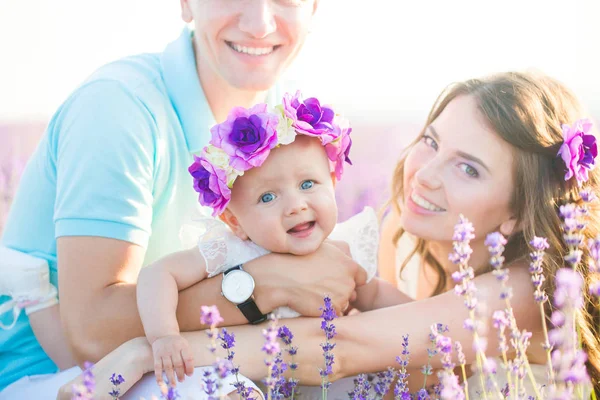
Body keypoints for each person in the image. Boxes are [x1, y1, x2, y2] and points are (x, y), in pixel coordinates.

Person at [60, 71, 600, 398]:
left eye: (469, 168)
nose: (425, 172)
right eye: (431, 142)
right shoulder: (408, 246)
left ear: (515, 213)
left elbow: (342, 347)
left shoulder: (529, 292)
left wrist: (143, 353)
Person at [0, 1, 369, 398]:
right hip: (46, 376)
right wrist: (271, 284)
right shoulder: (118, 108)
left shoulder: (281, 120)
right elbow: (91, 336)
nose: (260, 25)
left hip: (191, 354)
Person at [137, 92, 410, 388]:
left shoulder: (342, 254)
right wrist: (164, 335)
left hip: (323, 382)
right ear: (235, 222)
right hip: (242, 380)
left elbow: (379, 298)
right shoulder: (231, 250)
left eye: (308, 184)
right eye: (267, 197)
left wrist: (430, 320)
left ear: (332, 184)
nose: (295, 205)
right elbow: (158, 274)